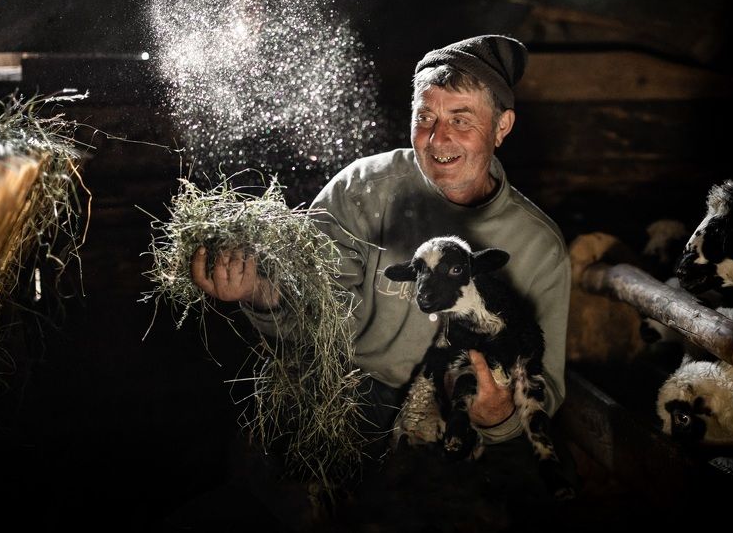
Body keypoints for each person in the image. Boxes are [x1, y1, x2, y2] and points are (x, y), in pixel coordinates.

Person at [191, 34, 571, 446]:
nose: (437, 139)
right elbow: (314, 312)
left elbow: (544, 383)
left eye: (461, 120)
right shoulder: (362, 189)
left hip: (457, 429)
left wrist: (499, 418)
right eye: (425, 118)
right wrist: (261, 290)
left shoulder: (539, 247)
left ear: (501, 126)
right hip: (347, 400)